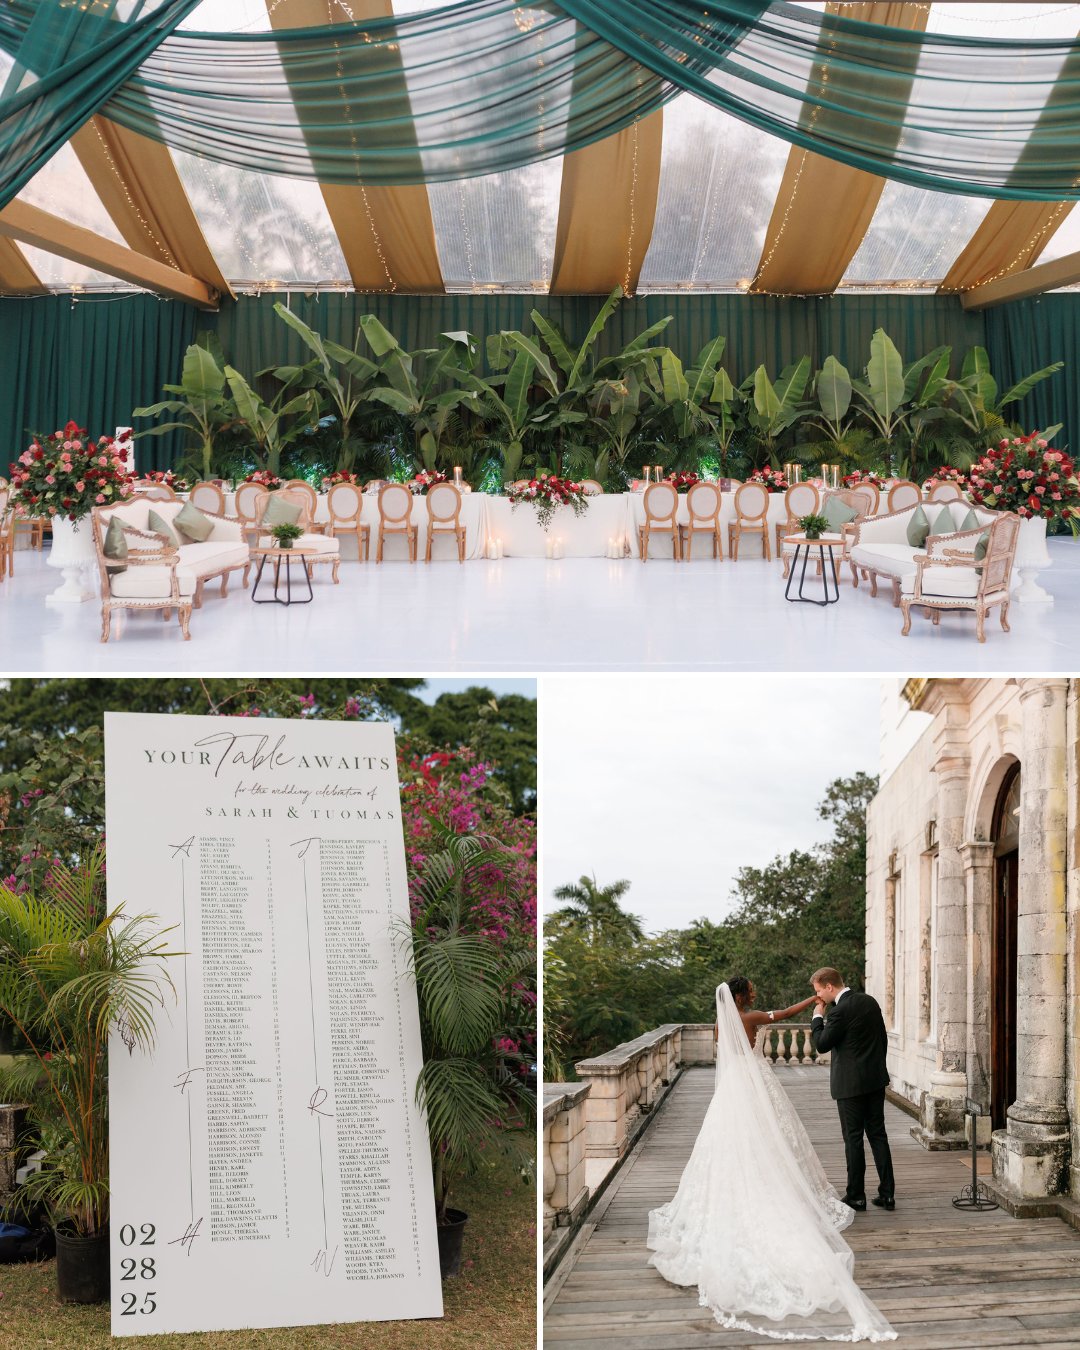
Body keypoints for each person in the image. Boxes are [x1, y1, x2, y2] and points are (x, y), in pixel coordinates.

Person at [646, 980, 896, 1342]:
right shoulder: (753, 1018)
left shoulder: (721, 1025)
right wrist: (814, 1001)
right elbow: (788, 1014)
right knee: (773, 1136)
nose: (756, 993)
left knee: (729, 1142)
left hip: (732, 1089)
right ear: (740, 997)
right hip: (756, 1084)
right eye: (750, 990)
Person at [809, 967, 895, 1212]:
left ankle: (856, 1196)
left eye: (819, 991)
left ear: (829, 986)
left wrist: (817, 1017)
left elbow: (822, 1044)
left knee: (853, 1139)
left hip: (850, 1087)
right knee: (879, 1136)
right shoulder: (869, 1002)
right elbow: (883, 1039)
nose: (820, 997)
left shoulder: (838, 1011)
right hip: (875, 1081)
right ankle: (888, 1194)